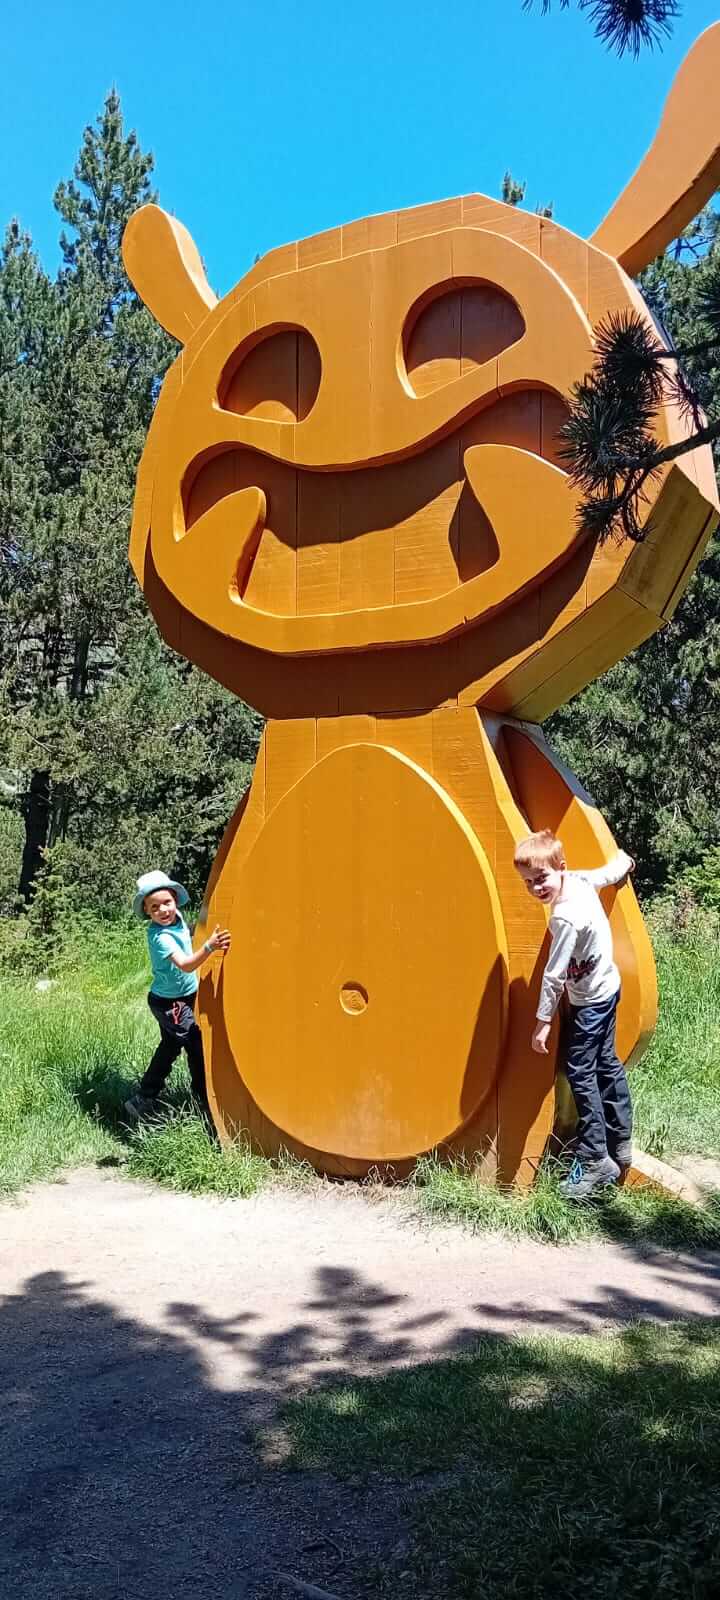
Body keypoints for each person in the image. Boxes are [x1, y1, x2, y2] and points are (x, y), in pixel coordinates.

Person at [513, 829, 635, 1201]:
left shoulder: (563, 918)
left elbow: (554, 973)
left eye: (542, 879)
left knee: (580, 1070)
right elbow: (603, 874)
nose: (536, 889)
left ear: (560, 868)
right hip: (609, 988)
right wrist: (623, 863)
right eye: (528, 883)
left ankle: (596, 1156)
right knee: (606, 1062)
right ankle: (621, 1137)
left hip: (589, 1002)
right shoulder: (578, 881)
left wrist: (543, 1021)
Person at [123, 870, 230, 1122]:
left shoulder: (176, 918)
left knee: (170, 1047)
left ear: (175, 900)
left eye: (167, 903)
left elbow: (190, 930)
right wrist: (209, 946)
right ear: (147, 911)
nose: (163, 910)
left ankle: (143, 1099)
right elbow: (186, 965)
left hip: (185, 996)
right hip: (170, 1003)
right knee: (195, 1044)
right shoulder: (159, 937)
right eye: (155, 907)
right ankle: (204, 1102)